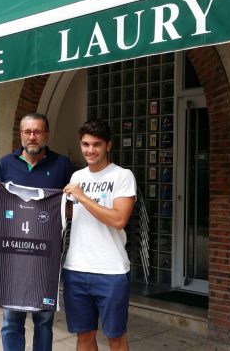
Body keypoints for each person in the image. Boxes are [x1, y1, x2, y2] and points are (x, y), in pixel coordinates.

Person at [0, 112, 73, 351]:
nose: (32, 136)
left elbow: (69, 209)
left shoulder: (62, 165)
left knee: (44, 320)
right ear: (21, 134)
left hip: (45, 257)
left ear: (47, 134)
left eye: (37, 131)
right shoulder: (5, 163)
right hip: (14, 255)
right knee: (11, 319)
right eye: (27, 132)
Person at [63, 119, 137, 351]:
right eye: (85, 144)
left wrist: (83, 197)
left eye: (97, 144)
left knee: (116, 338)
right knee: (83, 336)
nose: (90, 150)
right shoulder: (77, 177)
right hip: (76, 268)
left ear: (108, 146)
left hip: (111, 271)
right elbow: (73, 217)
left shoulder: (122, 176)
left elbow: (118, 220)